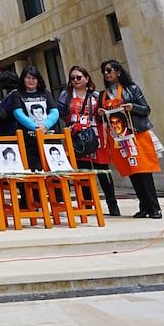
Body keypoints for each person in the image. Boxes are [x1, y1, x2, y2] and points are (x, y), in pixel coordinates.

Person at [99, 59, 162, 219]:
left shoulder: (132, 89)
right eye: (104, 71)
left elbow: (146, 109)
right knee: (132, 172)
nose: (106, 74)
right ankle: (144, 207)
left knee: (144, 172)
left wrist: (132, 107)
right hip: (120, 138)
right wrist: (100, 115)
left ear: (118, 72)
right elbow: (102, 120)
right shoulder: (103, 94)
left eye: (109, 70)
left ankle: (155, 208)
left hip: (137, 135)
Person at [58, 64, 119, 215]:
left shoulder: (96, 96)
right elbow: (60, 113)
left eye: (79, 77)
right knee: (83, 171)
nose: (75, 80)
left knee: (103, 170)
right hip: (77, 137)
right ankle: (86, 205)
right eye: (72, 78)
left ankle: (112, 205)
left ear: (87, 78)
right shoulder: (65, 96)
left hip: (96, 136)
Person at [5, 66, 60, 172]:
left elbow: (54, 111)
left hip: (49, 137)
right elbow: (18, 113)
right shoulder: (17, 94)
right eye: (28, 78)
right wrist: (35, 127)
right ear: (23, 79)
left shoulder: (46, 93)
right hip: (29, 139)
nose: (31, 81)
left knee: (53, 171)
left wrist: (45, 126)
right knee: (35, 170)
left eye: (34, 78)